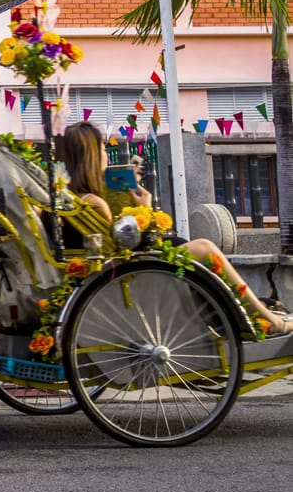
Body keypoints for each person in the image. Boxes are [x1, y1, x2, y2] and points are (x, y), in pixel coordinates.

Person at [59, 120, 292, 334]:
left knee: (190, 250)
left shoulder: (71, 197)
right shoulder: (95, 203)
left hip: (115, 274)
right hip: (129, 275)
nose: (105, 155)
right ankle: (268, 319)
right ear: (90, 154)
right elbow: (126, 245)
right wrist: (146, 208)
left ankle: (256, 309)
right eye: (101, 149)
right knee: (205, 248)